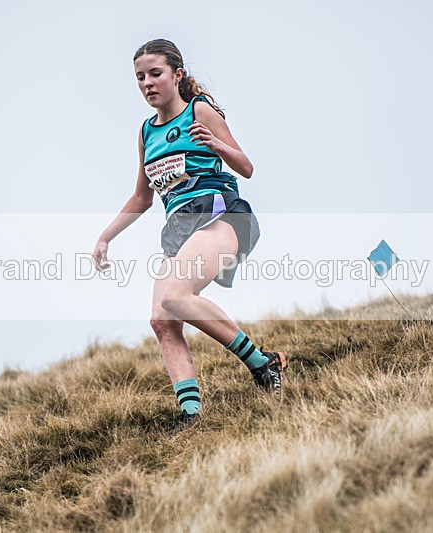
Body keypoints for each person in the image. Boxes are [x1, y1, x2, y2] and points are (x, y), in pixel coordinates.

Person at [92, 38, 287, 428]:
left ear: (177, 74)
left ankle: (262, 364)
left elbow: (246, 167)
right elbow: (142, 197)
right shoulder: (146, 132)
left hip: (221, 216)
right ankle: (191, 414)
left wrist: (217, 144)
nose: (147, 83)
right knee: (161, 319)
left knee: (176, 297)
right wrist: (105, 237)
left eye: (155, 74)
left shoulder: (200, 110)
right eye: (140, 77)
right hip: (179, 229)